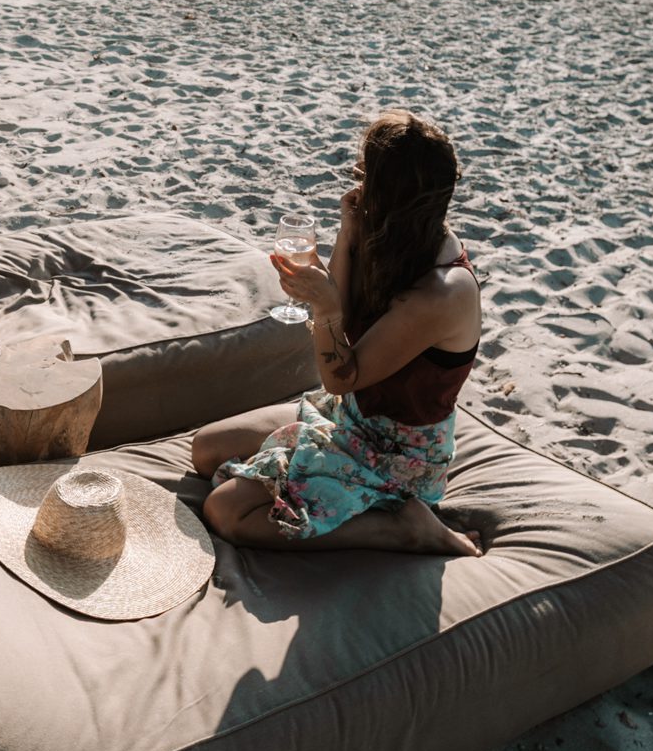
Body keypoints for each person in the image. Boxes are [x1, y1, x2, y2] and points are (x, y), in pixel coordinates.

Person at [194, 109, 485, 557]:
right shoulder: (396, 240)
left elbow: (340, 375)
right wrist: (349, 232)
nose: (357, 181)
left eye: (366, 175)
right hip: (348, 416)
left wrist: (324, 308)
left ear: (389, 191)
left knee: (227, 511)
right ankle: (306, 478)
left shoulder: (441, 294)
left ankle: (406, 529)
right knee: (206, 449)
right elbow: (345, 311)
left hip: (396, 455)